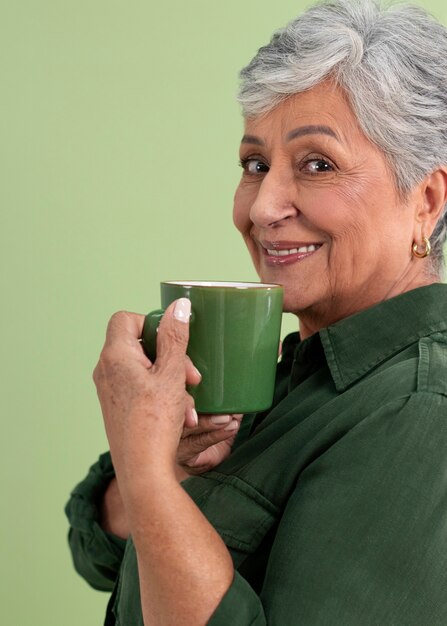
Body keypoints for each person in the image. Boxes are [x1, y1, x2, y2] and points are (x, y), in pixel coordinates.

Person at [65, 0, 447, 623]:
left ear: (426, 201)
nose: (263, 206)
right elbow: (97, 550)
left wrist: (148, 473)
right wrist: (165, 466)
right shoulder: (293, 377)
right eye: (255, 164)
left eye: (317, 164)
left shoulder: (419, 408)